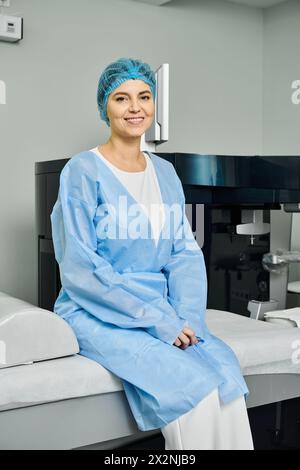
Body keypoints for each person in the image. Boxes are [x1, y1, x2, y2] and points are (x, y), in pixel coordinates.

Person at [50, 57, 254, 450]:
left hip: (162, 309)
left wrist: (188, 318)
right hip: (97, 310)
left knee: (224, 371)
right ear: (104, 107)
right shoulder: (81, 171)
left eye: (144, 96)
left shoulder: (164, 173)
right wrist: (158, 322)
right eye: (121, 98)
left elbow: (183, 253)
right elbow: (81, 267)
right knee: (189, 384)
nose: (135, 107)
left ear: (154, 104)